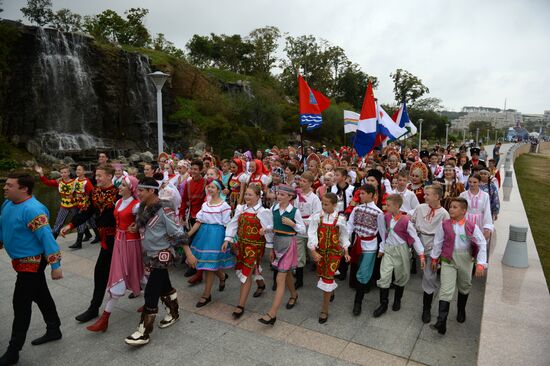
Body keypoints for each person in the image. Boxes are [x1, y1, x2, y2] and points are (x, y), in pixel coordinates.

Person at [0, 173, 63, 366]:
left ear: (24, 189)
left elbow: (47, 238)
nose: (5, 188)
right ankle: (54, 328)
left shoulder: (34, 210)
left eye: (9, 185)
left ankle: (13, 350)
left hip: (33, 262)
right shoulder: (8, 204)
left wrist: (55, 266)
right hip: (20, 261)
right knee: (40, 293)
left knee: (20, 303)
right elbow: (5, 226)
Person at [125, 178, 189, 346]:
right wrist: (136, 226)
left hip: (163, 254)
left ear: (151, 191)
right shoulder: (143, 207)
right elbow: (147, 225)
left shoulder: (164, 208)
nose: (138, 193)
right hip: (149, 252)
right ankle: (174, 313)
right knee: (164, 285)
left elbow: (176, 232)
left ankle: (143, 331)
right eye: (137, 190)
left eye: (141, 190)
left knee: (151, 291)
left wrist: (189, 254)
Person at [61, 164, 119, 323]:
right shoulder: (94, 192)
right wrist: (71, 225)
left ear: (109, 176)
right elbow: (86, 212)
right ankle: (94, 308)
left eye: (100, 175)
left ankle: (154, 296)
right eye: (96, 175)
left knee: (136, 269)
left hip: (121, 240)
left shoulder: (119, 193)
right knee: (100, 272)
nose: (96, 178)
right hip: (106, 241)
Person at [86, 176, 144, 333]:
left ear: (131, 188)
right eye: (120, 184)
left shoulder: (137, 205)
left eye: (124, 185)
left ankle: (105, 318)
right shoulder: (118, 202)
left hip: (131, 244)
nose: (120, 187)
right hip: (118, 243)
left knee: (137, 274)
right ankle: (104, 319)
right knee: (126, 275)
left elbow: (145, 223)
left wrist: (137, 227)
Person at [430, 197, 487, 335]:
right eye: (450, 206)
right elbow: (438, 241)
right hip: (448, 258)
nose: (451, 209)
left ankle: (461, 309)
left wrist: (480, 264)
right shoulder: (444, 224)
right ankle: (441, 321)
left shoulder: (471, 226)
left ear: (464, 210)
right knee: (445, 289)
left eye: (455, 207)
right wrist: (434, 258)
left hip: (465, 259)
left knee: (465, 285)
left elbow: (482, 243)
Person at [223, 185, 273, 318]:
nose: (247, 197)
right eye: (246, 194)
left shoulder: (263, 212)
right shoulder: (241, 209)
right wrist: (227, 240)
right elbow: (233, 224)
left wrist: (270, 245)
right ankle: (261, 285)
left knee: (246, 272)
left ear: (258, 196)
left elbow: (270, 229)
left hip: (255, 247)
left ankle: (240, 305)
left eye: (250, 195)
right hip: (242, 244)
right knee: (251, 267)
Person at [258, 184, 305, 325]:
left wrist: (293, 224)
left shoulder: (295, 211)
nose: (278, 196)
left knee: (280, 278)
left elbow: (303, 230)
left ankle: (272, 313)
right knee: (287, 272)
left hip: (289, 243)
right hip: (278, 242)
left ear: (290, 197)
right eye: (278, 194)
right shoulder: (274, 208)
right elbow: (275, 226)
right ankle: (294, 295)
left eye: (282, 195)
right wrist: (267, 230)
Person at [373, 194, 424, 318]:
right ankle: (383, 304)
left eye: (388, 205)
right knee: (384, 276)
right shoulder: (386, 217)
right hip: (389, 250)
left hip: (402, 250)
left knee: (402, 276)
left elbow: (414, 238)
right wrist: (382, 248)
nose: (385, 206)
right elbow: (384, 233)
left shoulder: (406, 220)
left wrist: (421, 254)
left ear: (397, 206)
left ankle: (397, 300)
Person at [187, 179, 234, 308]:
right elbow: (199, 221)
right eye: (209, 187)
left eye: (213, 187)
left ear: (219, 190)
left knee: (209, 265)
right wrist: (188, 235)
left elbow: (227, 224)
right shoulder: (205, 204)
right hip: (204, 235)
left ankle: (206, 295)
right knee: (206, 262)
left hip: (216, 236)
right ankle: (222, 276)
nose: (210, 189)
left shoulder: (224, 206)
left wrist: (227, 240)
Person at [408, 185, 450, 323]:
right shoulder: (420, 208)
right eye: (424, 194)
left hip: (433, 245)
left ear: (437, 197)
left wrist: (438, 254)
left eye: (427, 194)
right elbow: (412, 223)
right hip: (418, 240)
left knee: (429, 276)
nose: (424, 196)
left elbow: (445, 235)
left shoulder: (444, 214)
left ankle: (426, 308)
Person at [307, 193, 350, 323]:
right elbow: (312, 233)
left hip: (334, 253)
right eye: (322, 204)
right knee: (321, 276)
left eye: (326, 204)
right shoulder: (317, 217)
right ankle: (330, 290)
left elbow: (344, 236)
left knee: (327, 279)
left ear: (334, 205)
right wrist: (313, 250)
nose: (323, 206)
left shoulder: (340, 219)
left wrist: (346, 251)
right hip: (320, 252)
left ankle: (324, 310)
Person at [348, 184, 384, 316]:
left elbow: (382, 232)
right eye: (360, 194)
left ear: (371, 195)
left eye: (363, 193)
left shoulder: (378, 213)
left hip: (370, 245)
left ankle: (358, 303)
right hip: (358, 243)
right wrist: (346, 240)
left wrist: (382, 247)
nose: (361, 196)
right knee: (357, 268)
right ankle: (358, 298)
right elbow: (350, 225)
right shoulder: (357, 209)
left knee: (364, 273)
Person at [179, 160, 207, 283]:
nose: (194, 171)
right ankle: (193, 266)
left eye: (196, 169)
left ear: (201, 170)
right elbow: (184, 200)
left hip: (203, 217)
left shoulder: (207, 182)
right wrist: (181, 215)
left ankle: (198, 269)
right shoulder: (188, 184)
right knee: (190, 242)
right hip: (191, 217)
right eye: (192, 169)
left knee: (199, 243)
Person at [294, 171, 322, 289]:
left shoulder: (314, 198)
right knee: (299, 255)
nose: (301, 183)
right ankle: (299, 280)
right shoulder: (296, 195)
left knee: (313, 254)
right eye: (301, 180)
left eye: (304, 181)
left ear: (311, 183)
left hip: (310, 230)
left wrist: (307, 221)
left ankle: (322, 277)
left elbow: (317, 214)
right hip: (299, 229)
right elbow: (294, 209)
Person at [35, 165, 77, 239]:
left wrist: (74, 196)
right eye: (62, 173)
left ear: (69, 173)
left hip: (75, 205)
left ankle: (81, 239)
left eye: (65, 172)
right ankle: (52, 241)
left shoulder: (75, 182)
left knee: (79, 221)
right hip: (64, 206)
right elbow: (47, 182)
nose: (63, 174)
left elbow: (81, 193)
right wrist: (41, 173)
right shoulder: (59, 182)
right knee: (58, 223)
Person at [459, 174, 493, 241]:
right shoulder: (463, 195)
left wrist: (487, 227)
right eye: (470, 182)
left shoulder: (485, 195)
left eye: (475, 182)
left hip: (480, 222)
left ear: (479, 182)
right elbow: (459, 211)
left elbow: (487, 212)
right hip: (466, 221)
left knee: (478, 242)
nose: (472, 184)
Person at [71, 165, 99, 249]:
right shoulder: (76, 180)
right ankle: (97, 235)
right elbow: (74, 191)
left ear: (84, 172)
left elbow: (92, 194)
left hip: (86, 206)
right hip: (78, 204)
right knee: (91, 221)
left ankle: (78, 242)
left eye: (79, 170)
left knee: (81, 222)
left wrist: (89, 205)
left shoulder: (87, 182)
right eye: (77, 170)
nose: (77, 171)